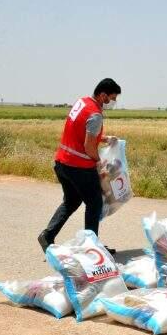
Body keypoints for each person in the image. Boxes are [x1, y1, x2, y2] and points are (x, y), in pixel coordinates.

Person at [38, 78, 121, 253]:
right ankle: (91, 247)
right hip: (78, 166)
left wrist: (104, 138)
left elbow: (80, 130)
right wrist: (100, 163)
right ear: (102, 95)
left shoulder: (82, 102)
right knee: (94, 203)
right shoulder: (96, 114)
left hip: (62, 162)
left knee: (72, 200)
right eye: (111, 99)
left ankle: (47, 235)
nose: (112, 103)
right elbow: (88, 146)